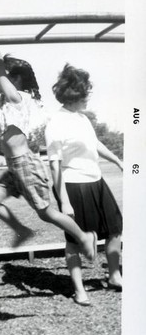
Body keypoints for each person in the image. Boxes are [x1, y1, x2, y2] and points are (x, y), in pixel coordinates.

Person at [0, 27, 97, 261]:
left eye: (7, 77)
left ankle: (83, 236)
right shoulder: (7, 98)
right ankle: (22, 230)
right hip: (15, 165)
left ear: (16, 79)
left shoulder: (18, 98)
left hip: (26, 164)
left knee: (46, 213)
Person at [45, 64, 123, 306]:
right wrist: (64, 200)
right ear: (74, 96)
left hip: (96, 181)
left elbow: (95, 143)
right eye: (85, 93)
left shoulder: (82, 118)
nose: (88, 97)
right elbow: (55, 165)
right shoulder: (56, 123)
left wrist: (118, 160)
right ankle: (79, 290)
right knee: (74, 240)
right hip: (73, 185)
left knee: (114, 229)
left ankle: (114, 276)